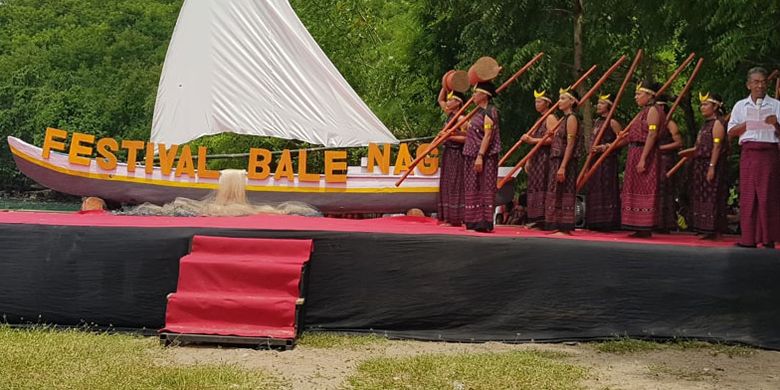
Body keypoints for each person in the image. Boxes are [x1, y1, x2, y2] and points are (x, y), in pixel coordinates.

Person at [727, 67, 780, 248]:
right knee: (749, 196)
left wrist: (776, 124)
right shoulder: (740, 106)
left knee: (767, 197)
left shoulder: (776, 105)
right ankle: (748, 238)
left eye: (763, 82)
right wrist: (747, 124)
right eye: (756, 82)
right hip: (749, 154)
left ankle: (768, 238)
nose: (760, 85)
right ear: (748, 85)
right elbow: (731, 132)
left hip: (769, 154)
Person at [620, 80, 665, 238]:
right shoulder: (643, 112)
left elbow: (652, 134)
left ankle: (644, 226)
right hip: (635, 151)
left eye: (639, 94)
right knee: (633, 187)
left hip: (644, 152)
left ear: (649, 95)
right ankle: (637, 226)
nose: (636, 97)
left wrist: (643, 159)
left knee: (645, 188)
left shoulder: (653, 111)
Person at [463, 81, 501, 232]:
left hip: (484, 156)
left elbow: (488, 136)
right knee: (473, 187)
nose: (473, 95)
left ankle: (483, 222)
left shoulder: (490, 112)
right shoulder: (477, 113)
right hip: (471, 154)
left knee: (485, 187)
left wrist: (480, 156)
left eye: (475, 92)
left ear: (484, 95)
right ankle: (473, 220)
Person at [544, 87, 582, 235]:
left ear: (572, 101)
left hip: (564, 160)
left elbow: (571, 143)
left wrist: (563, 166)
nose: (559, 102)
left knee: (564, 191)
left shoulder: (572, 118)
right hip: (557, 159)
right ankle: (556, 224)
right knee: (556, 192)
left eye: (563, 99)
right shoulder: (564, 119)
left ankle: (564, 227)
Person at [691, 92, 728, 239]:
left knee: (712, 195)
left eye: (706, 104)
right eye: (702, 104)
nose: (702, 107)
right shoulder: (705, 124)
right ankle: (704, 227)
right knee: (701, 195)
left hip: (712, 163)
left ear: (715, 107)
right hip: (700, 163)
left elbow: (717, 147)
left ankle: (713, 229)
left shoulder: (718, 123)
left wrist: (712, 166)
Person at [520, 90, 558, 228]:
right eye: (536, 101)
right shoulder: (540, 118)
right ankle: (535, 217)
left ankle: (543, 219)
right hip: (537, 157)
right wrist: (529, 158)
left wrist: (532, 140)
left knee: (543, 185)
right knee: (535, 186)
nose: (536, 104)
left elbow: (554, 139)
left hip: (545, 158)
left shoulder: (550, 118)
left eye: (539, 101)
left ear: (547, 103)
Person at [585, 94, 622, 231]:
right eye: (598, 103)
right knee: (594, 187)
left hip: (607, 161)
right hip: (594, 160)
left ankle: (608, 221)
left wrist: (606, 146)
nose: (598, 105)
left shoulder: (612, 122)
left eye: (601, 103)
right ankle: (595, 220)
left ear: (608, 106)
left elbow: (623, 139)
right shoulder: (597, 122)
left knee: (606, 188)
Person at [436, 87, 468, 226]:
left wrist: (451, 136)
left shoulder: (462, 118)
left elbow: (468, 138)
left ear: (458, 102)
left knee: (455, 185)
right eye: (448, 100)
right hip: (448, 153)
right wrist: (445, 84)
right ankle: (447, 217)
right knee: (447, 184)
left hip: (457, 154)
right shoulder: (450, 114)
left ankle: (455, 219)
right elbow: (440, 100)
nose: (447, 102)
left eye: (451, 100)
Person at [655, 95, 683, 233]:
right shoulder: (653, 123)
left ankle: (665, 223)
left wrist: (660, 148)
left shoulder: (669, 123)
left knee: (665, 189)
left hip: (666, 159)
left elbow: (678, 142)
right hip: (653, 160)